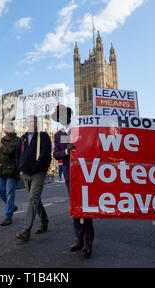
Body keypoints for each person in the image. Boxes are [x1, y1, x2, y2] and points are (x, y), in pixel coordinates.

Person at [52, 105, 94, 258]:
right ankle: (79, 238)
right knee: (75, 207)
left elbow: (91, 145)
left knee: (85, 206)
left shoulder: (81, 129)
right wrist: (66, 151)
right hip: (70, 174)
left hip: (84, 172)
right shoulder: (58, 135)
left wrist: (78, 147)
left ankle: (87, 241)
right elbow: (56, 154)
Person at [15, 115, 52, 241]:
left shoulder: (43, 136)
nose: (32, 123)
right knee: (35, 199)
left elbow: (46, 153)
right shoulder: (23, 138)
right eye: (30, 121)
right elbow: (18, 154)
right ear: (27, 123)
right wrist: (20, 166)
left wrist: (39, 164)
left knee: (32, 199)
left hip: (38, 173)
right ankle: (44, 220)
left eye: (34, 121)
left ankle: (26, 230)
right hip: (25, 173)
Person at [0, 121, 20, 227]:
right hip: (2, 170)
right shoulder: (2, 140)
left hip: (12, 171)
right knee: (0, 191)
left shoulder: (17, 140)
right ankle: (12, 207)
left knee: (10, 193)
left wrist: (0, 147)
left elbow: (9, 151)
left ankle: (8, 217)